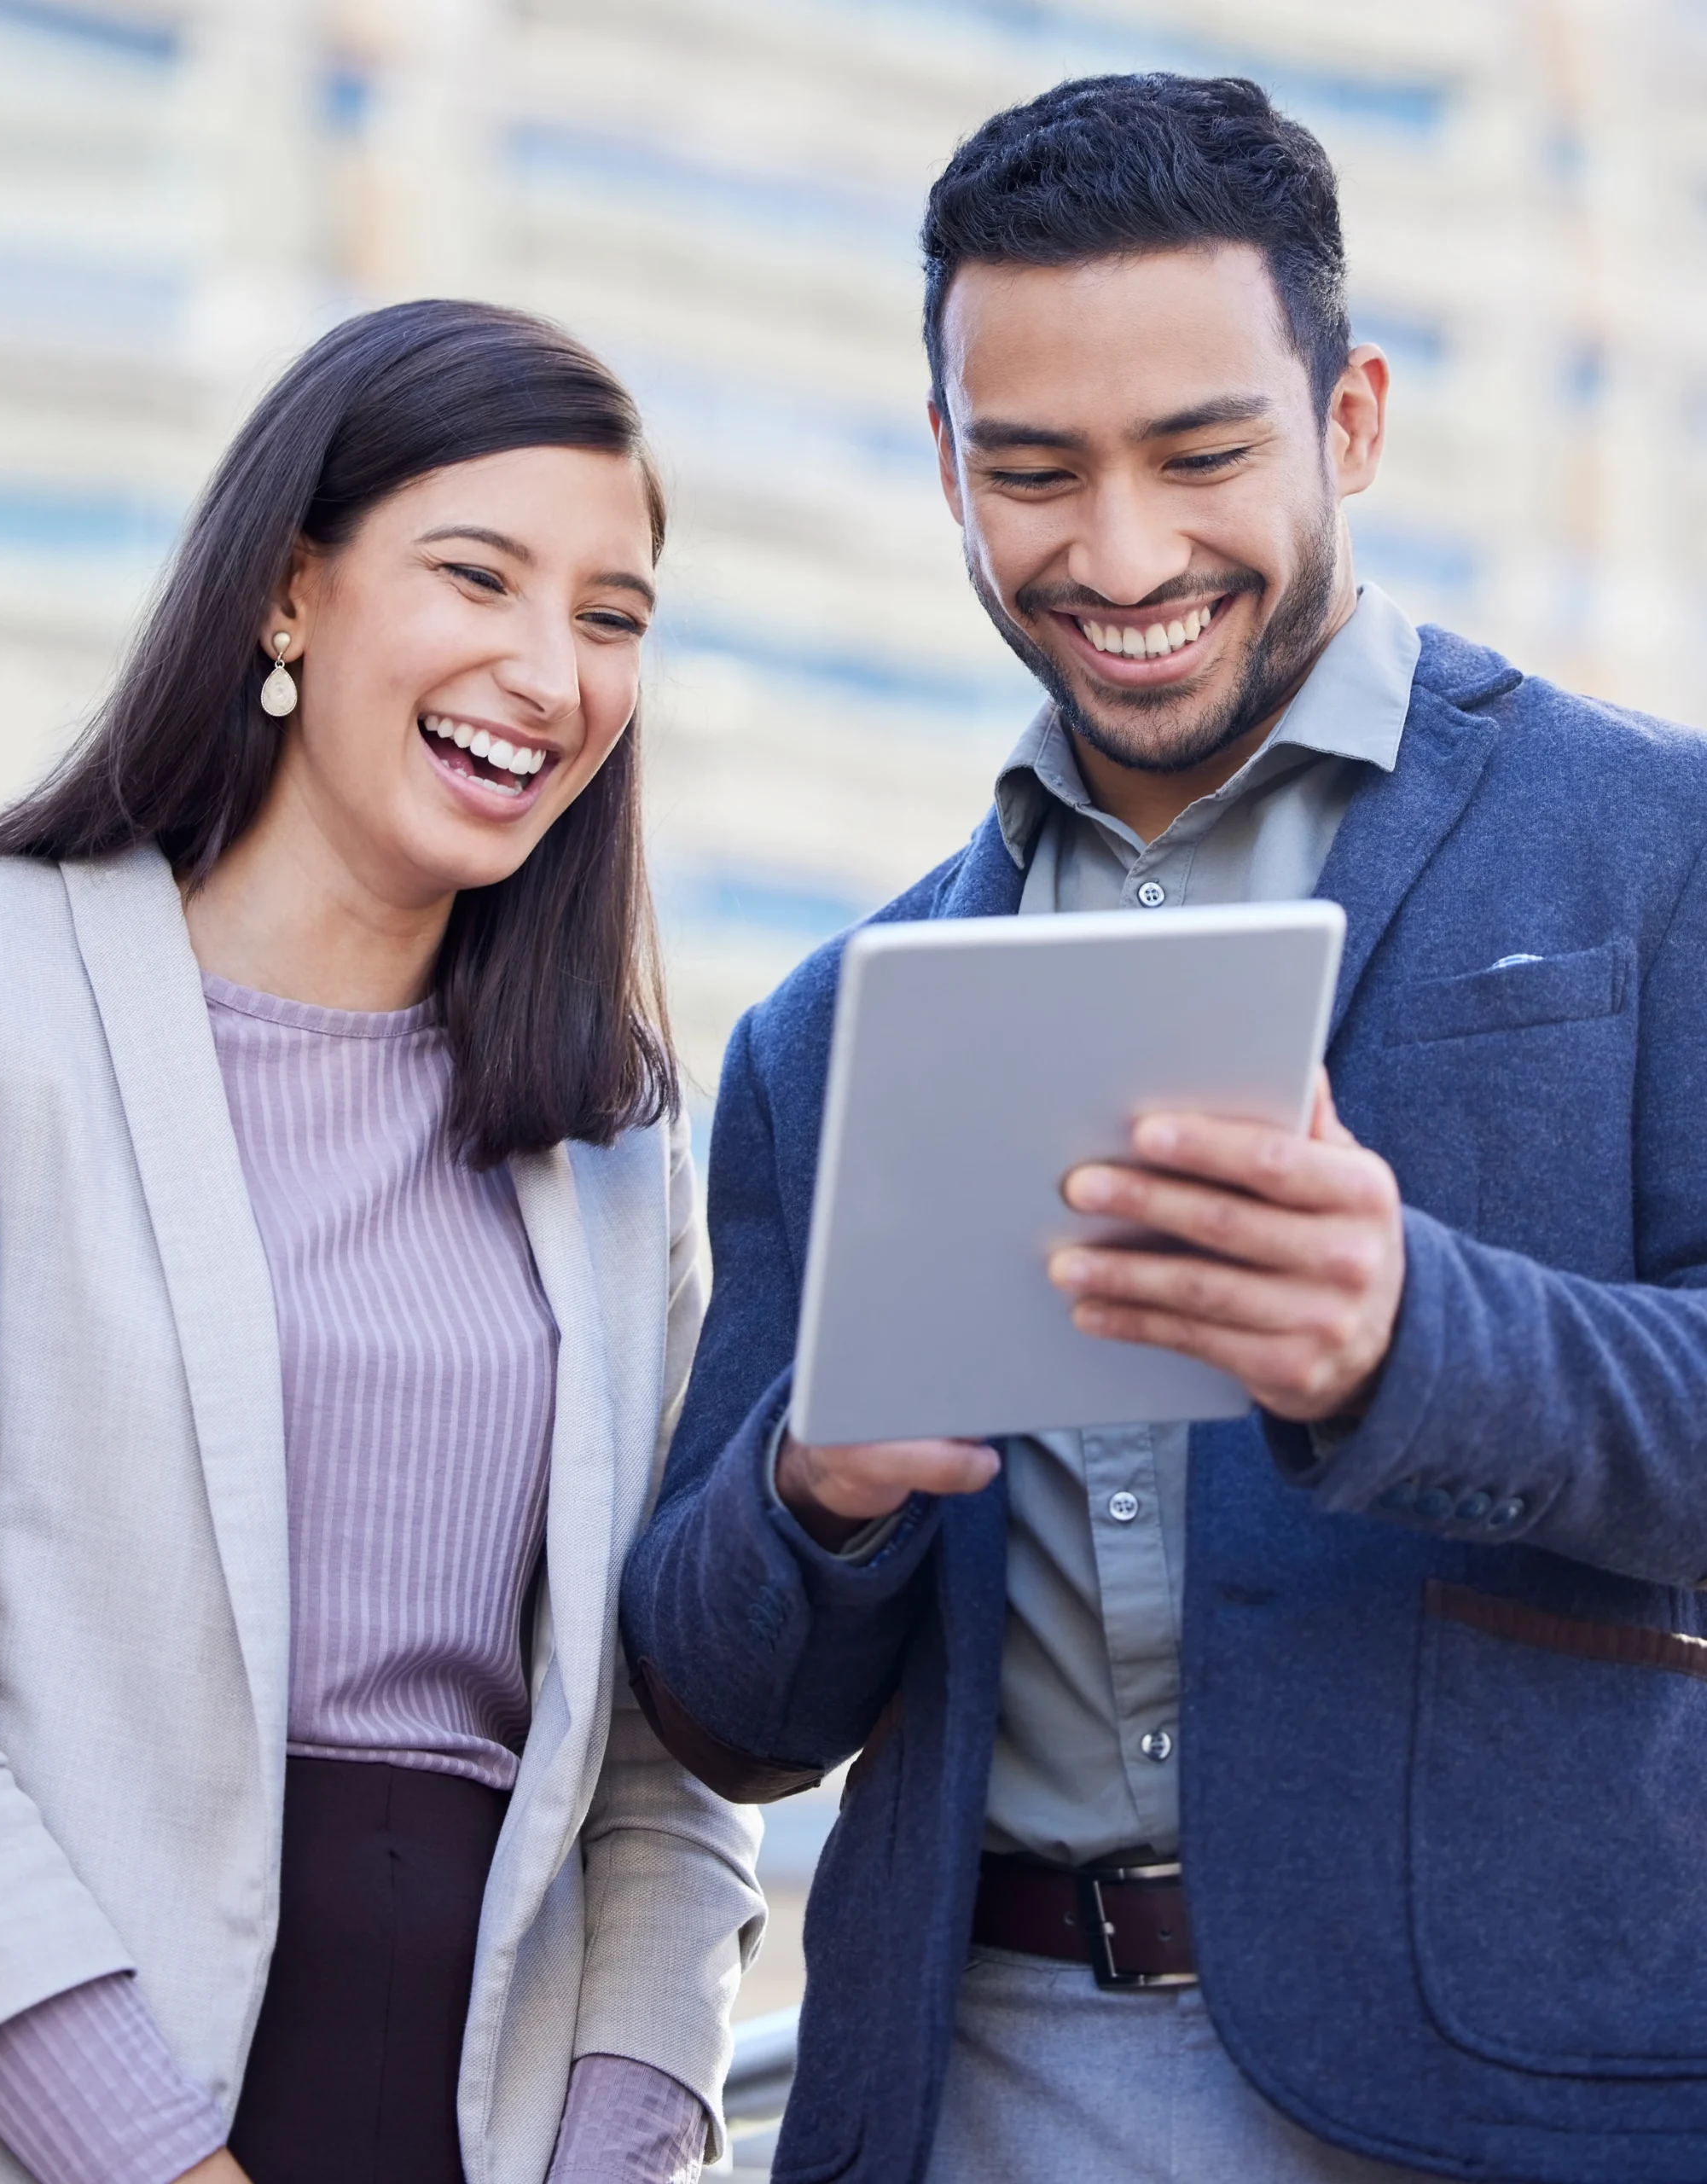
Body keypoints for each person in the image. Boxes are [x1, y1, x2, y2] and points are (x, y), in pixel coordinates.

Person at [621, 72, 1707, 2184]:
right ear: (945, 463)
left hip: (1521, 2097)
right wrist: (815, 1490)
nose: (1121, 555)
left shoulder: (1656, 849)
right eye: (1033, 471)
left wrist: (1410, 1334)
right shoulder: (832, 1031)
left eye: (1201, 455)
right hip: (983, 2091)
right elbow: (726, 1704)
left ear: (1356, 418)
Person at [0, 299, 763, 2184]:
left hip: (483, 2124)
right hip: (49, 2116)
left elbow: (659, 1774)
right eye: (480, 578)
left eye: (613, 616)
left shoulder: (618, 1145)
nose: (551, 670)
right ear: (292, 592)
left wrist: (623, 2143)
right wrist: (147, 2153)